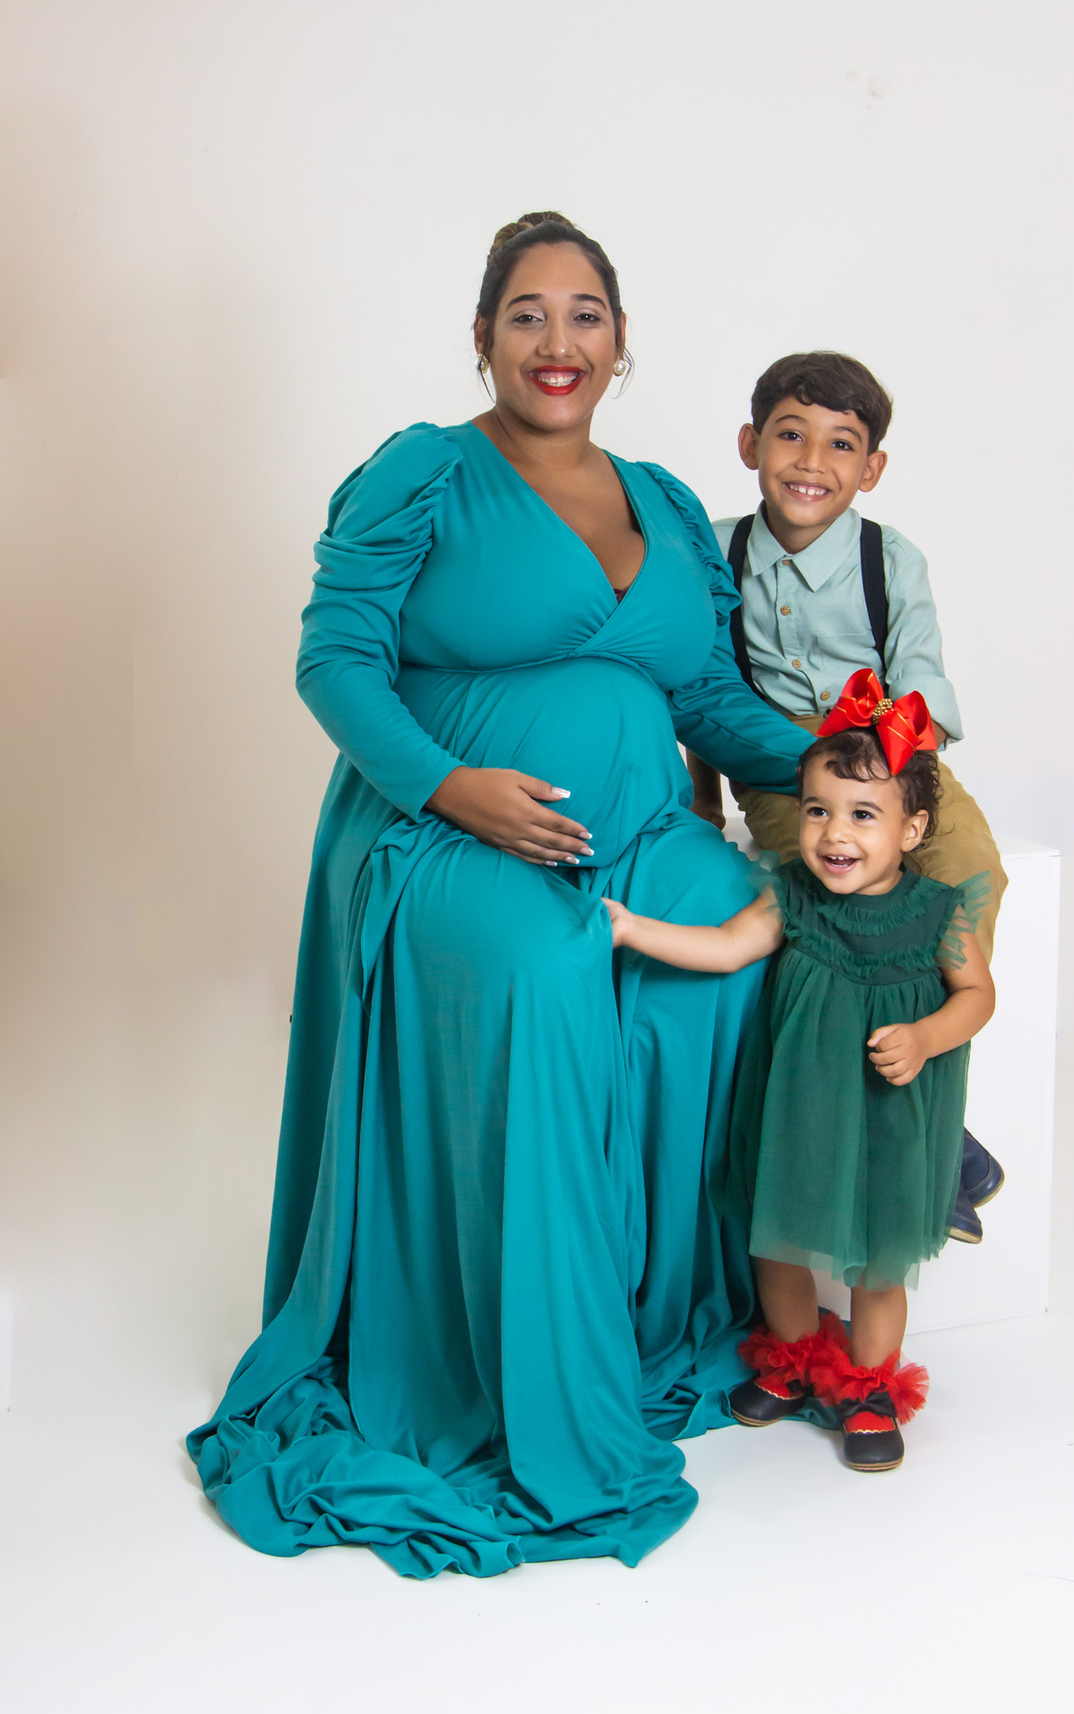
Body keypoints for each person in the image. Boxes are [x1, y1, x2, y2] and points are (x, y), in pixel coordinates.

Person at [187, 213, 820, 1577]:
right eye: (527, 314)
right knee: (545, 968)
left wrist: (844, 757)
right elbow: (335, 660)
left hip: (637, 830)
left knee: (749, 930)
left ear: (621, 340)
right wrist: (451, 788)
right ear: (484, 338)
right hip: (441, 842)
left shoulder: (661, 502)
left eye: (585, 313)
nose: (557, 341)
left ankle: (648, 1319)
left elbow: (708, 699)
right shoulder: (425, 474)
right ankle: (524, 1372)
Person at [606, 677, 996, 1471]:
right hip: (797, 1107)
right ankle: (791, 1360)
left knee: (879, 1261)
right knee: (776, 1240)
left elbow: (977, 996)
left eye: (862, 815)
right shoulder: (792, 897)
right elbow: (726, 947)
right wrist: (632, 929)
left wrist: (925, 1037)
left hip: (889, 1117)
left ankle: (869, 1389)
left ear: (912, 828)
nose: (833, 833)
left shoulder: (938, 912)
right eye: (817, 810)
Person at [685, 351, 1005, 1241]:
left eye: (840, 445)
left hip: (894, 753)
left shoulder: (889, 559)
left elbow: (923, 684)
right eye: (790, 435)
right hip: (782, 769)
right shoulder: (712, 552)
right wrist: (705, 795)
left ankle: (932, 1081)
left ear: (872, 469)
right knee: (828, 884)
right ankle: (931, 1134)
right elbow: (696, 685)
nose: (811, 461)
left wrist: (894, 789)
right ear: (750, 444)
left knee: (968, 866)